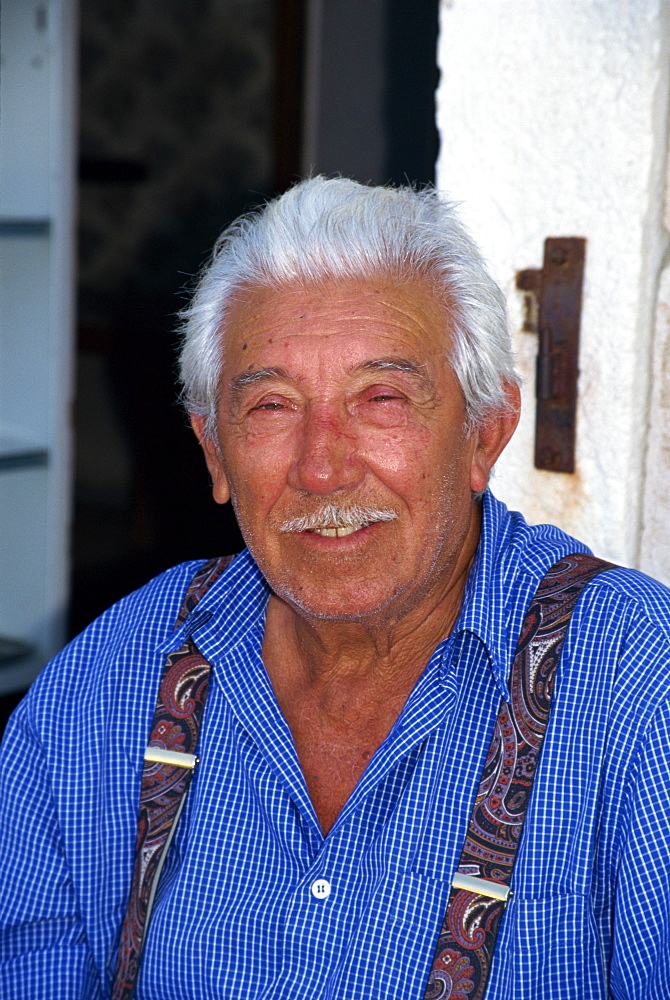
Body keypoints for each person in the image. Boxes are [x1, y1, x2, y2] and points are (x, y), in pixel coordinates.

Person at [2, 177, 670, 1000]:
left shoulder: (638, 686)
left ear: (484, 433)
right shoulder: (106, 685)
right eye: (274, 406)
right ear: (214, 453)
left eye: (380, 398)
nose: (323, 467)